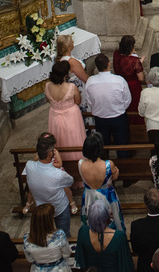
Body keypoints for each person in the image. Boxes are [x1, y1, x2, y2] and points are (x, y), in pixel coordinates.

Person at [45, 59, 86, 207]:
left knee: (60, 143)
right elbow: (78, 101)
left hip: (55, 117)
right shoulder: (71, 87)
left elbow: (47, 99)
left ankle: (62, 173)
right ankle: (77, 175)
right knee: (74, 141)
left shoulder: (47, 86)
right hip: (71, 118)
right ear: (64, 75)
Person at [21, 133, 74, 235]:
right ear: (50, 154)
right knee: (64, 234)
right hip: (59, 207)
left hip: (42, 208)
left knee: (44, 235)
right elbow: (70, 181)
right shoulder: (58, 174)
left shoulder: (29, 165)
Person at [87, 54, 132, 156]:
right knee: (122, 146)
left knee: (103, 146)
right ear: (109, 64)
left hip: (100, 118)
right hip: (118, 117)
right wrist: (119, 108)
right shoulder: (119, 80)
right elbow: (127, 100)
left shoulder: (90, 82)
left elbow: (89, 101)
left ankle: (104, 168)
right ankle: (123, 166)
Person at [79, 132, 124, 233]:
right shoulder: (108, 164)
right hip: (107, 197)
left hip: (89, 196)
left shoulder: (80, 164)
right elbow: (115, 176)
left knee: (91, 221)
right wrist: (116, 170)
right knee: (112, 221)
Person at [74, 199, 133, 272]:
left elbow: (81, 258)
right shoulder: (119, 236)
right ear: (107, 217)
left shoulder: (83, 232)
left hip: (91, 271)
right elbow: (125, 262)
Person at [21, 203, 71, 272]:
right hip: (59, 270)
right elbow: (66, 253)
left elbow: (30, 259)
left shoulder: (27, 238)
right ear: (49, 221)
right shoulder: (59, 235)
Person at [57, 33, 90, 112]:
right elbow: (84, 78)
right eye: (72, 42)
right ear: (68, 47)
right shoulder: (72, 62)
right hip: (78, 89)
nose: (73, 43)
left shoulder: (60, 59)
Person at [113, 35, 145, 115]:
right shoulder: (135, 61)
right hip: (133, 86)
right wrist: (140, 62)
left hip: (120, 84)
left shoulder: (116, 55)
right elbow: (141, 78)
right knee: (134, 107)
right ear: (132, 46)